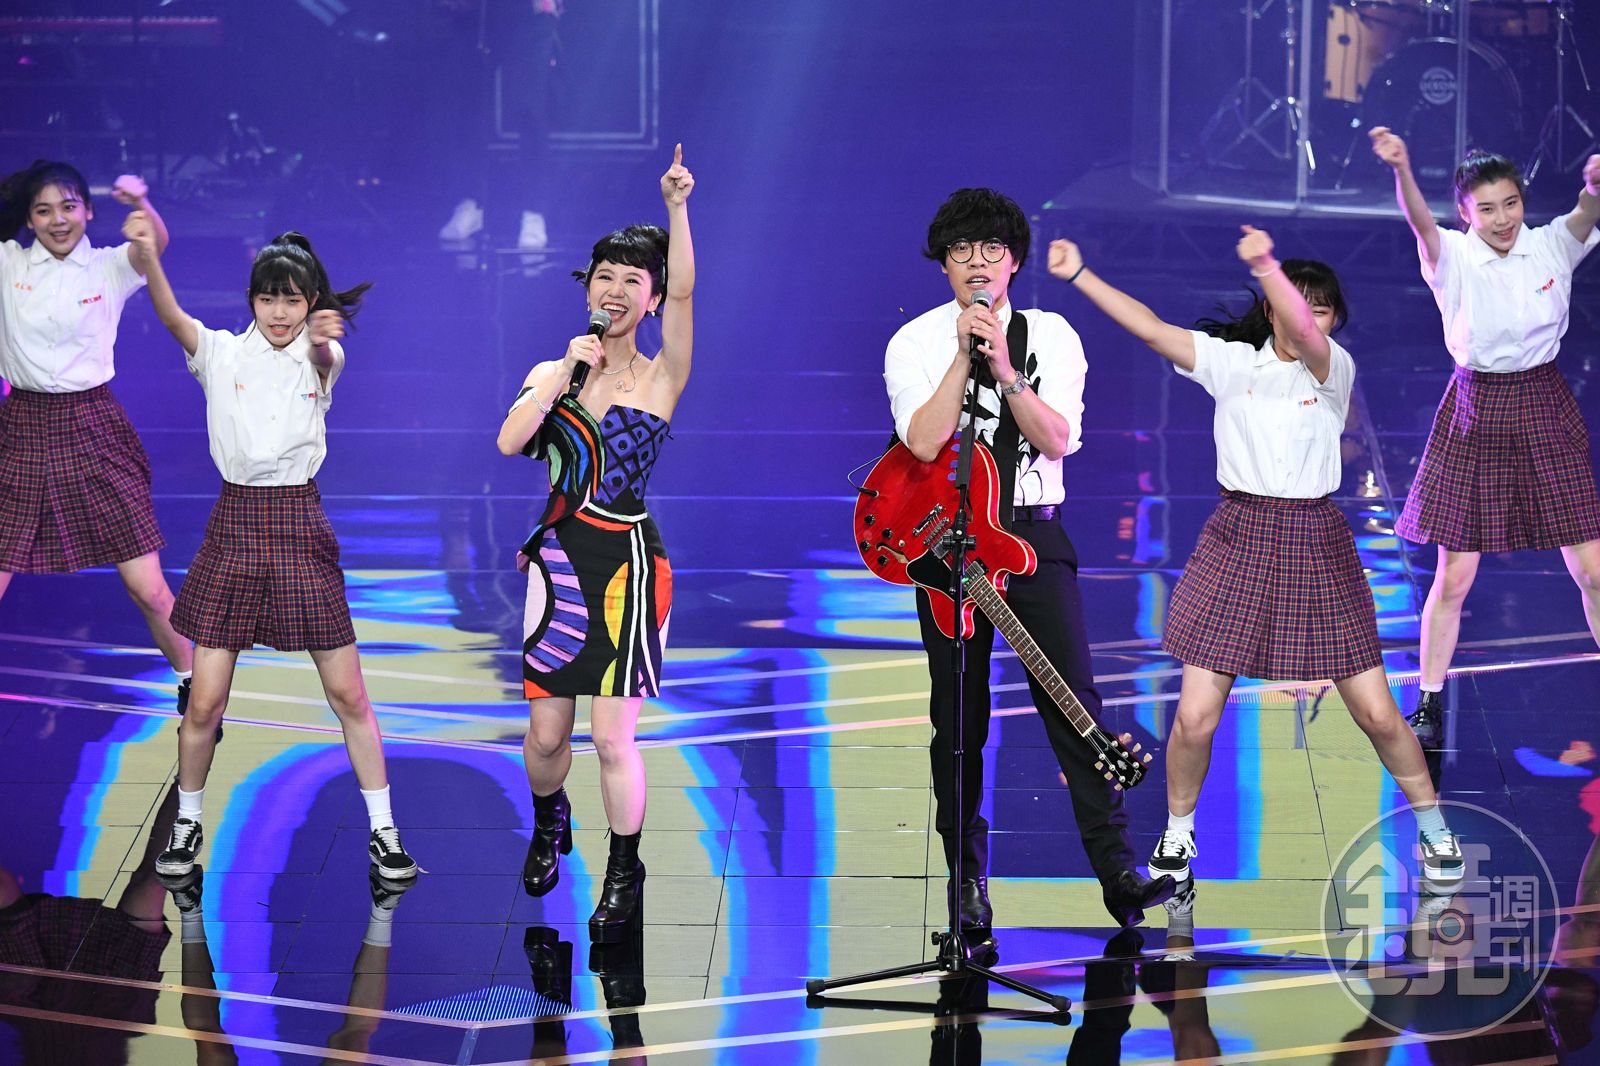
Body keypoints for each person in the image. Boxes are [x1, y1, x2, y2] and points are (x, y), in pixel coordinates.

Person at [1050, 225, 1463, 889]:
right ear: (1268, 310)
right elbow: (1151, 329)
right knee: (1194, 717)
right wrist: (1079, 275)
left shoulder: (1333, 368)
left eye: (1321, 309)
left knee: (1379, 714)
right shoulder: (1231, 364)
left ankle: (1434, 825)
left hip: (1315, 540)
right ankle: (1178, 832)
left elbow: (1304, 333)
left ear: (1332, 320)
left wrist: (1268, 265)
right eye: (1297, 305)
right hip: (1237, 535)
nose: (1307, 318)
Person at [883, 187, 1176, 936]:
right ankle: (967, 885)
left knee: (1074, 702)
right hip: (949, 549)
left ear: (1013, 261)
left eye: (992, 249)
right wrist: (962, 356)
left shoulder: (1052, 334)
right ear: (943, 264)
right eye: (961, 251)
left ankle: (1117, 871)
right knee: (958, 721)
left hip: (1033, 536)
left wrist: (1006, 368)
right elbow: (922, 442)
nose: (977, 263)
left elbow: (1057, 439)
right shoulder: (913, 341)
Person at [121, 216, 417, 883]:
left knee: (348, 694)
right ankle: (187, 821)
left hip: (298, 523)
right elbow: (170, 316)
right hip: (234, 524)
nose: (280, 312)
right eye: (268, 298)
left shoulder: (322, 355)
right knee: (204, 701)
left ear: (310, 302)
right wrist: (148, 259)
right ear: (251, 299)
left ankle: (384, 830)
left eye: (293, 299)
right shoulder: (221, 352)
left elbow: (323, 357)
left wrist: (321, 339)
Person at [496, 144, 694, 942]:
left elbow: (689, 289)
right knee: (547, 736)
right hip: (558, 562)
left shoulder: (662, 376)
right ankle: (550, 818)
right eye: (603, 276)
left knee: (613, 738)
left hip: (630, 567)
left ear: (651, 298)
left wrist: (677, 206)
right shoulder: (555, 370)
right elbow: (511, 442)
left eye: (631, 280)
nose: (614, 290)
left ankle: (623, 873)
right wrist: (559, 378)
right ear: (586, 288)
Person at [1370, 130, 1600, 746]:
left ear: (1523, 201)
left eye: (1511, 204)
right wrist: (1402, 168)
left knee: (1593, 571)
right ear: (1466, 213)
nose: (1502, 219)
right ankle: (1429, 701)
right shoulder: (1450, 255)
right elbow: (1419, 223)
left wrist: (1593, 187)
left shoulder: (1549, 245)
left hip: (1543, 404)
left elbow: (1585, 214)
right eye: (1488, 209)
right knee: (1454, 578)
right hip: (1475, 411)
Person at [0, 160, 194, 707]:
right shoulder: (8, 262)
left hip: (93, 426)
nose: (58, 220)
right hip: (22, 429)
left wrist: (140, 204)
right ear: (29, 219)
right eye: (43, 210)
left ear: (87, 209)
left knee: (147, 587)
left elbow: (155, 243)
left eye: (68, 206)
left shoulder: (108, 266)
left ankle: (194, 683)